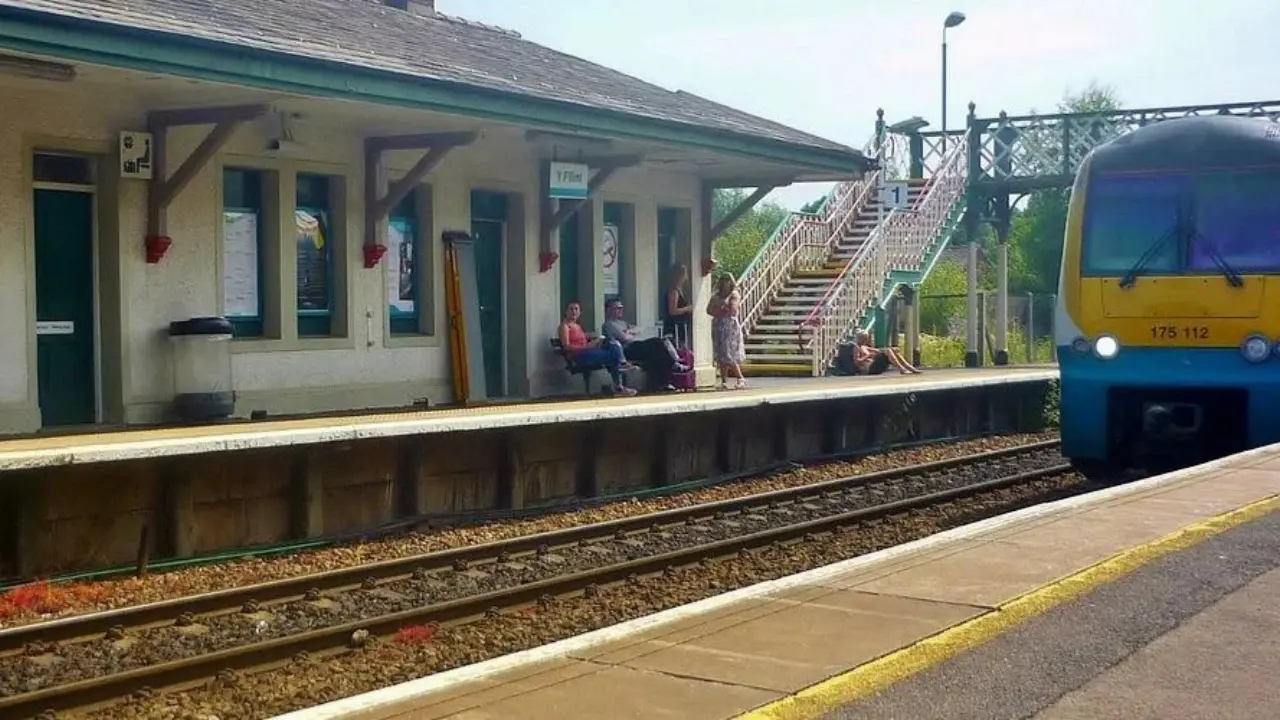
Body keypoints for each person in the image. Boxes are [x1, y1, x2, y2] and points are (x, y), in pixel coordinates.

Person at [601, 299, 688, 391]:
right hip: (626, 349)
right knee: (657, 343)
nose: (621, 310)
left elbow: (639, 329)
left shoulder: (622, 323)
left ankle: (662, 382)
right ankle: (674, 363)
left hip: (636, 346)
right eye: (617, 308)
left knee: (659, 352)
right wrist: (630, 334)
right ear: (609, 310)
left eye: (621, 308)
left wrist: (629, 331)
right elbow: (625, 338)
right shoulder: (609, 324)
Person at [558, 301, 636, 396]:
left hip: (587, 352)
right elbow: (567, 347)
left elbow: (582, 341)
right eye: (571, 309)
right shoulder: (565, 326)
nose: (574, 311)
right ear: (566, 311)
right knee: (612, 356)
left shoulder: (577, 326)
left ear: (579, 312)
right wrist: (587, 346)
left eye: (576, 309)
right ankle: (620, 377)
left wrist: (595, 342)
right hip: (578, 357)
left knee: (610, 342)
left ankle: (621, 368)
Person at [707, 273, 746, 390]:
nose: (725, 282)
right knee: (720, 353)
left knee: (728, 352)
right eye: (723, 279)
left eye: (727, 280)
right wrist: (719, 310)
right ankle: (724, 381)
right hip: (718, 325)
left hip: (729, 326)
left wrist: (719, 309)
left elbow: (732, 310)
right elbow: (709, 309)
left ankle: (740, 377)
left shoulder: (733, 294)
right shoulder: (716, 296)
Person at [854, 330, 921, 375]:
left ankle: (909, 367)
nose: (866, 340)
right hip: (869, 369)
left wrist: (892, 349)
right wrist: (868, 356)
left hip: (875, 366)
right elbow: (857, 362)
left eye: (866, 338)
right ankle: (902, 369)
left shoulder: (864, 347)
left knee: (891, 351)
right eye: (864, 338)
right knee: (888, 351)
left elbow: (879, 350)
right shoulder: (856, 347)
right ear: (860, 338)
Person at [663, 263, 693, 347]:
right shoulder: (674, 291)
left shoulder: (680, 289)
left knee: (681, 347)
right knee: (676, 347)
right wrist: (687, 308)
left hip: (681, 326)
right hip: (674, 326)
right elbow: (672, 311)